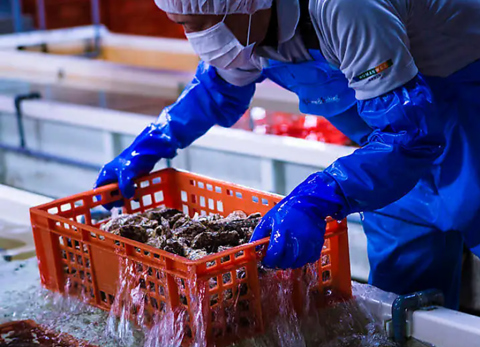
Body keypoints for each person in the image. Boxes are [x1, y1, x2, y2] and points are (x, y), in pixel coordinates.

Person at [95, 0, 480, 310]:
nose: (199, 39)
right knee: (407, 308)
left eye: (203, 24)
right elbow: (217, 88)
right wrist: (151, 144)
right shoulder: (247, 29)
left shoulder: (343, 8)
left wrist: (321, 195)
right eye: (185, 25)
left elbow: (410, 134)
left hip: (462, 126)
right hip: (388, 168)